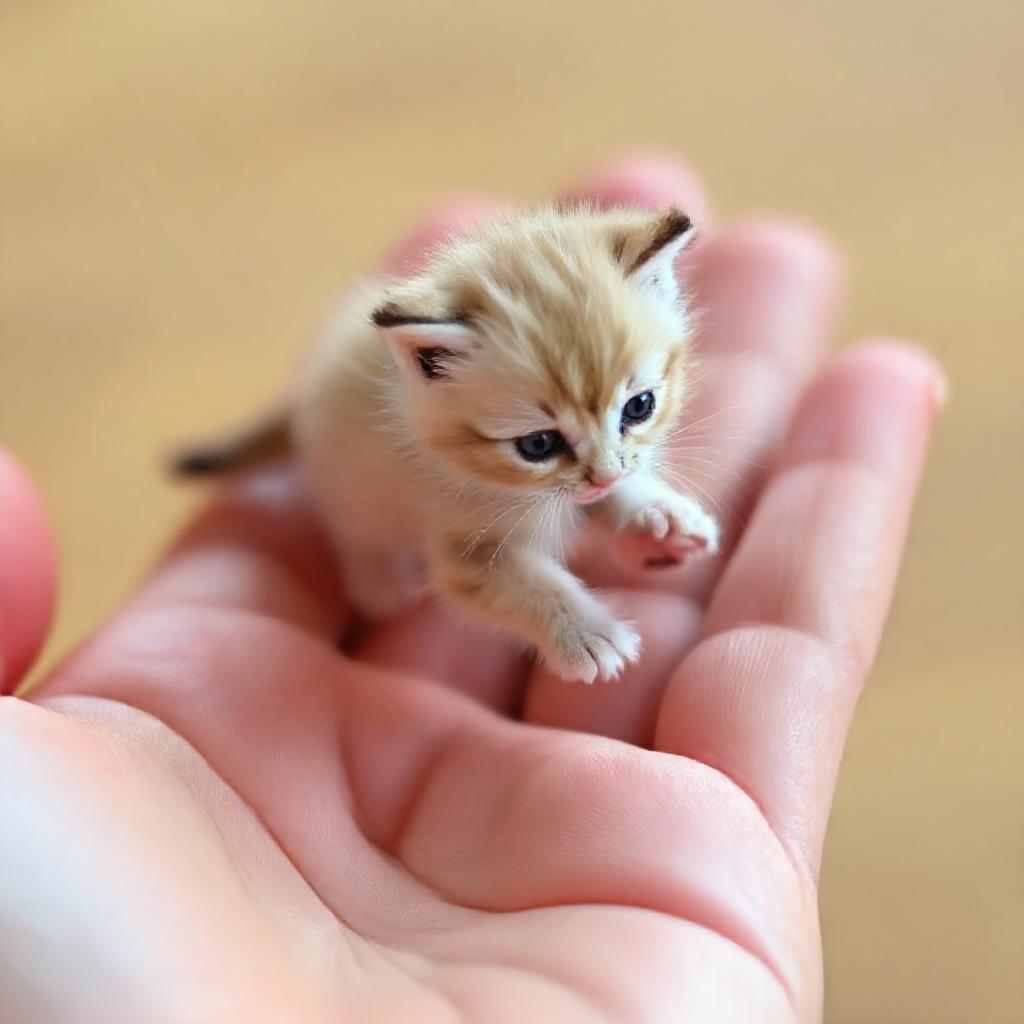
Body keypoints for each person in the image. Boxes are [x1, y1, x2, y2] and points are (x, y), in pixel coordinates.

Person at [0, 154, 943, 1023]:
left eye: (639, 409)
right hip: (363, 484)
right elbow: (475, 567)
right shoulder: (449, 420)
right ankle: (361, 548)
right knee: (387, 561)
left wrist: (640, 504)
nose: (605, 467)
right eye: (541, 445)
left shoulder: (570, 435)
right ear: (431, 365)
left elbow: (602, 475)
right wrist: (561, 616)